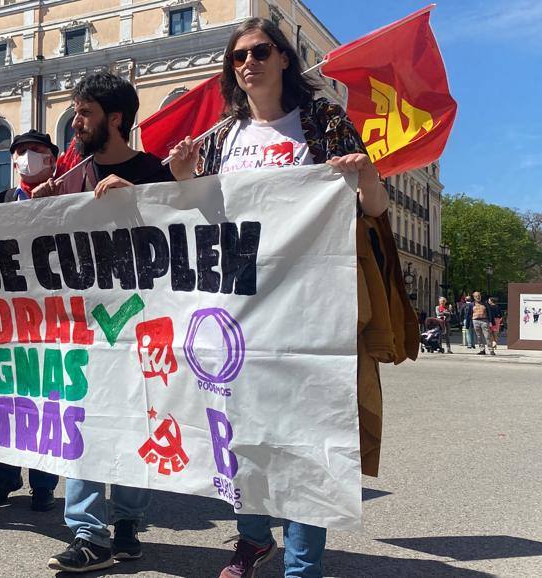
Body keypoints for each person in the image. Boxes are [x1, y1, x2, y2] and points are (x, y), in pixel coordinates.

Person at [166, 17, 388, 578]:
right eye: (238, 57)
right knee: (239, 433)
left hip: (311, 307)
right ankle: (253, 537)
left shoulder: (323, 121)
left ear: (284, 59)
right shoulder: (221, 139)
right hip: (240, 310)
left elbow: (377, 209)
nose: (249, 63)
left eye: (261, 51)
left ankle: (301, 562)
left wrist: (363, 175)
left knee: (309, 436)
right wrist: (183, 181)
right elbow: (201, 224)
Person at [43, 71, 175, 574]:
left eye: (85, 113)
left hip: (144, 329)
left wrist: (143, 201)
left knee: (136, 423)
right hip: (84, 331)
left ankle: (127, 524)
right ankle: (88, 531)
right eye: (76, 113)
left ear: (115, 119)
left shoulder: (155, 173)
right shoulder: (71, 180)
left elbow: (186, 241)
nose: (76, 123)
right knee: (84, 425)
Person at [0, 129, 60, 512]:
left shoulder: (69, 199)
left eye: (36, 151)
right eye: (21, 151)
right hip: (5, 320)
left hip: (53, 318)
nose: (27, 157)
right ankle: (5, 476)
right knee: (6, 402)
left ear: (52, 159)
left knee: (48, 401)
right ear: (12, 162)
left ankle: (43, 484)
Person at [470, 292, 495, 356]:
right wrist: (468, 323)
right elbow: (469, 314)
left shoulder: (485, 304)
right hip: (475, 321)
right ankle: (482, 350)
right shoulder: (471, 304)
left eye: (479, 296)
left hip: (484, 321)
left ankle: (491, 350)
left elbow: (489, 312)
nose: (478, 297)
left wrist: (491, 322)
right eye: (476, 296)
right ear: (474, 297)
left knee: (487, 336)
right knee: (479, 336)